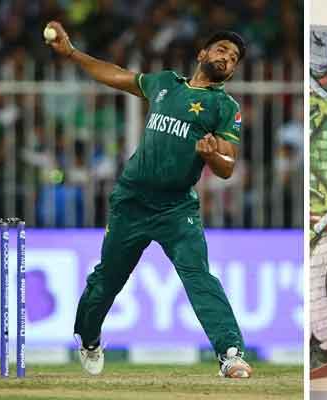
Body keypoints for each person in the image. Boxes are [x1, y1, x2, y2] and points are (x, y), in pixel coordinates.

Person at [44, 21, 252, 378]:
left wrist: (212, 156)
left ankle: (230, 353)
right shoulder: (165, 84)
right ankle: (89, 339)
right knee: (107, 279)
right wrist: (73, 53)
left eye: (233, 58)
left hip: (176, 209)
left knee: (199, 276)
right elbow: (116, 75)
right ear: (202, 54)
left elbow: (228, 166)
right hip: (131, 202)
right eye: (221, 50)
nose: (226, 59)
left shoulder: (224, 105)